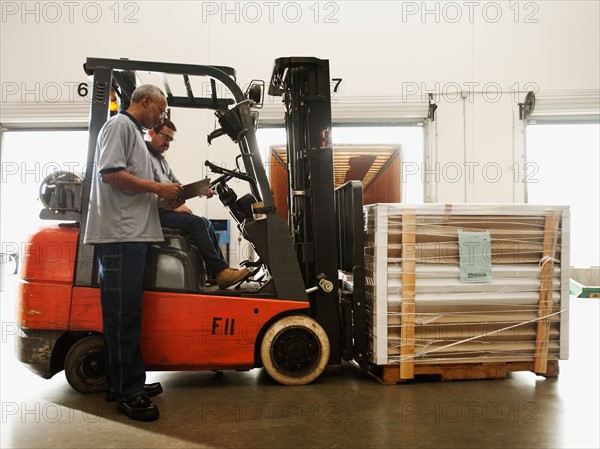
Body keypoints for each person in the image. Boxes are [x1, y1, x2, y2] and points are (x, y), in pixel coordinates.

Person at [84, 85, 183, 422]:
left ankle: (122, 382)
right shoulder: (119, 127)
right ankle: (129, 393)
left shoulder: (136, 136)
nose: (162, 116)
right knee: (124, 316)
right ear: (145, 101)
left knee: (126, 315)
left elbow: (133, 188)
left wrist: (164, 197)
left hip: (133, 234)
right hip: (121, 236)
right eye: (161, 109)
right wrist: (159, 188)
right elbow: (111, 174)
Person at [146, 118, 251, 289]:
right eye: (165, 138)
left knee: (206, 223)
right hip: (151, 213)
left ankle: (216, 274)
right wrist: (173, 205)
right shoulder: (144, 157)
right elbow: (147, 190)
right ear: (151, 133)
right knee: (197, 223)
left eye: (170, 140)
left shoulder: (161, 161)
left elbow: (178, 186)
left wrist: (200, 189)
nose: (168, 143)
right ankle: (221, 271)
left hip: (163, 210)